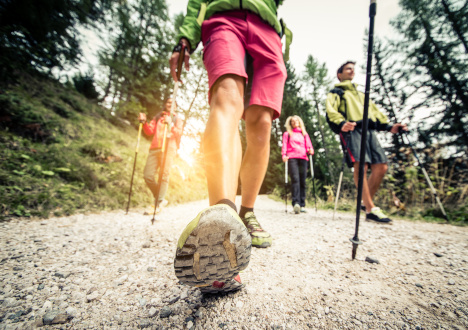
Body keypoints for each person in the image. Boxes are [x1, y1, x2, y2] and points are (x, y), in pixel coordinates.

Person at [169, 0, 290, 293]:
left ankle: (246, 212)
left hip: (268, 30)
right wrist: (185, 37)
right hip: (223, 19)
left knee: (261, 122)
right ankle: (222, 216)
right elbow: (197, 3)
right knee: (227, 99)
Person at [325, 61, 407, 224]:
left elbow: (375, 112)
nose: (352, 71)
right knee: (361, 165)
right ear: (339, 74)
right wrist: (341, 123)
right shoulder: (337, 92)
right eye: (348, 69)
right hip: (352, 129)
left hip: (369, 130)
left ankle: (365, 202)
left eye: (353, 69)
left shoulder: (362, 95)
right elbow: (331, 110)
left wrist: (389, 126)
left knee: (381, 166)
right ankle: (370, 208)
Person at [138, 98, 183, 213]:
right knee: (148, 175)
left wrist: (170, 125)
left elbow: (178, 132)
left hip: (169, 148)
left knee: (164, 175)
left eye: (173, 103)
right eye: (168, 102)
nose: (170, 104)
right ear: (165, 104)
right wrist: (143, 123)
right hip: (155, 148)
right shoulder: (158, 117)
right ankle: (160, 199)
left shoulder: (177, 119)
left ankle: (158, 203)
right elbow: (149, 131)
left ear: (176, 106)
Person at [281, 115, 314, 214]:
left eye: (296, 120)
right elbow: (284, 146)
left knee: (302, 181)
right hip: (292, 158)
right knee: (295, 179)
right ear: (290, 123)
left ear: (299, 122)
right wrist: (284, 155)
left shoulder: (304, 134)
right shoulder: (287, 134)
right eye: (292, 121)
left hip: (303, 158)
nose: (294, 122)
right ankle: (296, 203)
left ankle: (302, 204)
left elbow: (309, 146)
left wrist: (311, 150)